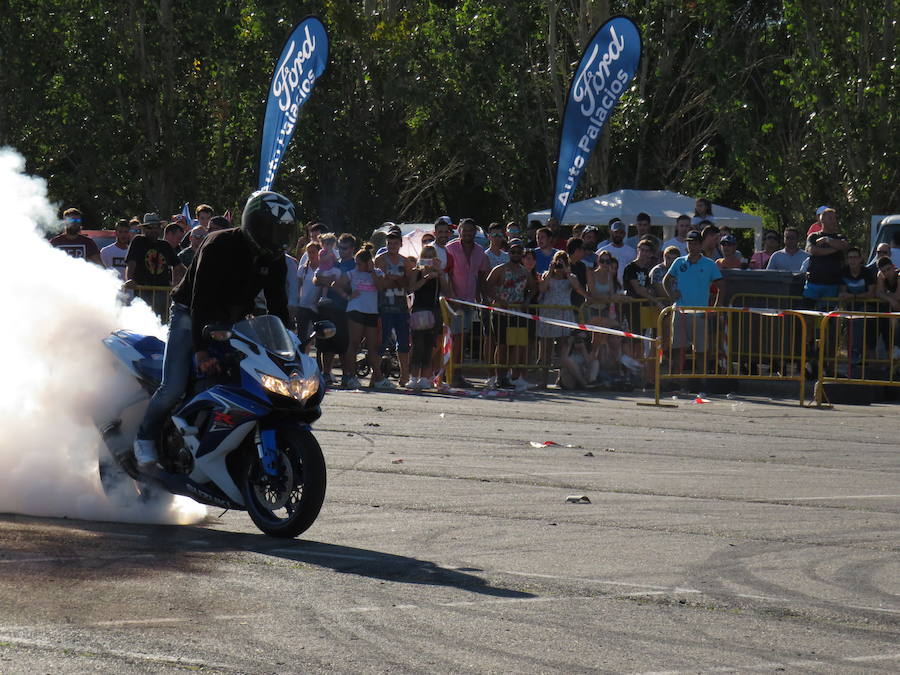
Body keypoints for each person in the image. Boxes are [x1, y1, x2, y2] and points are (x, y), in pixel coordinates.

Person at [132, 190, 294, 471]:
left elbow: (278, 305)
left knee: (244, 379)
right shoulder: (218, 244)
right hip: (190, 312)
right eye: (271, 229)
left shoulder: (275, 259)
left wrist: (291, 348)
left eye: (283, 230)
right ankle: (144, 437)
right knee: (172, 387)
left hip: (234, 319)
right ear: (254, 224)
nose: (276, 236)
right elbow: (200, 300)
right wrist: (201, 349)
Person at [663, 230, 722, 367]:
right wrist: (672, 295)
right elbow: (666, 280)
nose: (692, 246)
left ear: (701, 245)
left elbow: (721, 286)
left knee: (701, 351)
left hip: (700, 313)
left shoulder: (709, 264)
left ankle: (701, 381)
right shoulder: (679, 261)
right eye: (690, 243)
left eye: (695, 243)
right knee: (677, 348)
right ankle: (678, 381)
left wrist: (716, 307)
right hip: (680, 311)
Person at [484, 238, 537, 390]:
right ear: (508, 253)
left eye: (518, 252)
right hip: (501, 313)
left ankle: (509, 375)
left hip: (518, 313)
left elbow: (533, 287)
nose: (515, 254)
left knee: (515, 346)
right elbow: (487, 286)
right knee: (501, 345)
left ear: (522, 254)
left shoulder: (524, 272)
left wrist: (527, 300)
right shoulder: (500, 269)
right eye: (512, 251)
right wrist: (497, 299)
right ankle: (499, 376)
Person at [445, 218, 490, 387]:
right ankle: (448, 373)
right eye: (465, 230)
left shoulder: (480, 251)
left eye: (471, 230)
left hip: (469, 302)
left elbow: (481, 276)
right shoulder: (450, 248)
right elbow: (447, 275)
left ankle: (457, 373)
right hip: (453, 301)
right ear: (460, 231)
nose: (468, 233)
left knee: (462, 339)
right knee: (453, 338)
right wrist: (452, 296)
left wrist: (483, 297)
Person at [340, 245, 391, 389]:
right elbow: (336, 284)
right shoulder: (352, 273)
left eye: (359, 263)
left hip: (371, 312)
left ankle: (379, 379)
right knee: (354, 343)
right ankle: (351, 376)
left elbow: (381, 287)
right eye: (356, 263)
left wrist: (371, 271)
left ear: (368, 262)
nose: (356, 266)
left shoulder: (377, 272)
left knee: (372, 347)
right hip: (355, 310)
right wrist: (347, 296)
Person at [537, 251, 588, 387]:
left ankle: (561, 379)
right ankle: (543, 380)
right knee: (546, 350)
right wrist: (550, 270)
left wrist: (567, 271)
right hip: (549, 313)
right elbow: (542, 289)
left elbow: (577, 288)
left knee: (563, 349)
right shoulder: (547, 275)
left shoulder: (570, 277)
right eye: (557, 262)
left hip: (564, 314)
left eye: (562, 262)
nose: (559, 265)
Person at [316, 232, 357, 387]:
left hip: (344, 308)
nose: (341, 251)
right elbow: (317, 279)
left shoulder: (355, 264)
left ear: (352, 248)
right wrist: (331, 280)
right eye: (339, 248)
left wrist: (334, 281)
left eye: (345, 248)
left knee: (343, 343)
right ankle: (326, 373)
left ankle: (347, 375)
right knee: (327, 342)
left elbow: (349, 286)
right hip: (328, 306)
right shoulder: (334, 261)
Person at [407, 245, 450, 389]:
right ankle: (413, 377)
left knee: (429, 346)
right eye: (426, 257)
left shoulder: (438, 274)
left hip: (434, 311)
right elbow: (411, 288)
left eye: (432, 257)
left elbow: (446, 290)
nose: (429, 261)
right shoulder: (416, 272)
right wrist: (425, 278)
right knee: (417, 345)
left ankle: (425, 378)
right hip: (419, 310)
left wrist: (439, 272)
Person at [375, 229, 414, 386]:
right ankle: (376, 376)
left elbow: (409, 285)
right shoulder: (380, 259)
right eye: (389, 243)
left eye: (395, 243)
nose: (392, 246)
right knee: (381, 342)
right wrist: (398, 279)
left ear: (400, 244)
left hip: (401, 308)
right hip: (384, 307)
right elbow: (380, 284)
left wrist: (392, 278)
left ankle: (405, 376)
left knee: (404, 343)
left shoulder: (405, 262)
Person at [125, 213, 186, 288]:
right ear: (144, 229)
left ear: (160, 228)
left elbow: (178, 266)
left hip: (163, 291)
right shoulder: (138, 241)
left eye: (156, 227)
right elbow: (131, 262)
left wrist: (183, 281)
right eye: (150, 227)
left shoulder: (165, 245)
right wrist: (130, 279)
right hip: (142, 290)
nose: (154, 230)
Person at [803, 208, 848, 304]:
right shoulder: (813, 236)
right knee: (808, 312)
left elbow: (844, 245)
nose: (833, 221)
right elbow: (814, 251)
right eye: (830, 218)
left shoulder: (840, 237)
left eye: (834, 218)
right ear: (822, 220)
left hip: (832, 284)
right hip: (813, 283)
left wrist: (827, 240)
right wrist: (835, 249)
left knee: (829, 315)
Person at [295, 241, 321, 344]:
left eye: (313, 252)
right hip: (303, 305)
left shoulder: (322, 269)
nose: (311, 255)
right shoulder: (303, 269)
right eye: (309, 252)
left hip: (317, 306)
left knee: (319, 335)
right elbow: (298, 286)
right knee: (302, 336)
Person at [597, 219, 635, 283]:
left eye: (621, 232)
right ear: (611, 233)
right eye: (616, 232)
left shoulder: (632, 252)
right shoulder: (602, 251)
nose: (618, 235)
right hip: (606, 287)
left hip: (625, 288)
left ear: (624, 234)